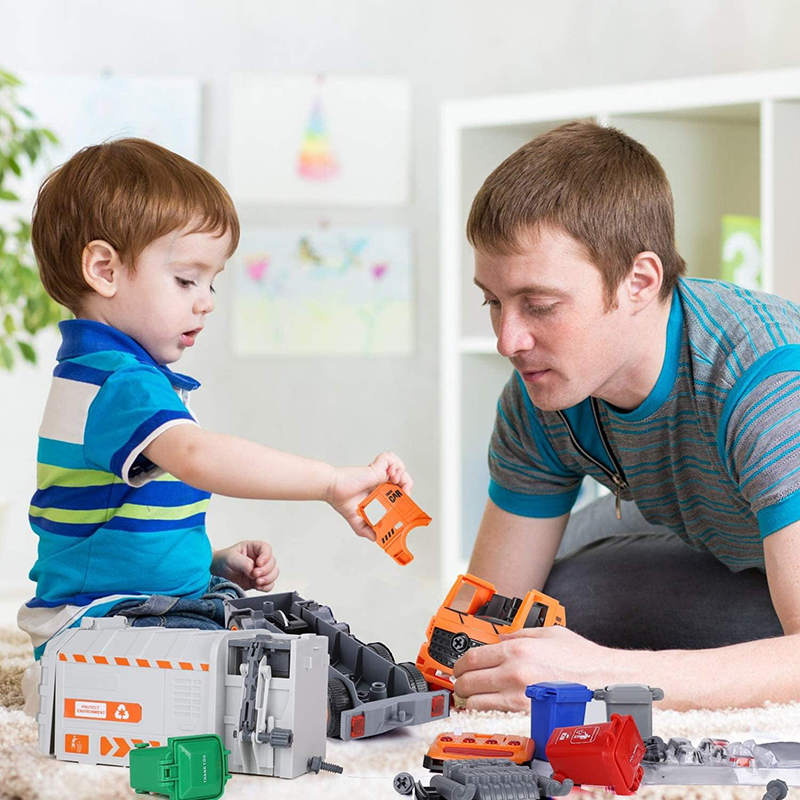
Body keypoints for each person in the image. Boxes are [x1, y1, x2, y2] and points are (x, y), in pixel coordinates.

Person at [18, 138, 411, 662]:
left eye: (212, 283)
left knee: (256, 616)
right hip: (97, 622)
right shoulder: (120, 382)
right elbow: (200, 458)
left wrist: (211, 562)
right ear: (105, 271)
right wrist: (329, 481)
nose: (205, 303)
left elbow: (119, 532)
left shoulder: (112, 375)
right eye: (186, 280)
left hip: (128, 603)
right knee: (250, 653)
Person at [451, 121, 800, 712]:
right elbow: (485, 620)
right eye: (493, 301)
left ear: (640, 281)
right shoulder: (542, 388)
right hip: (707, 534)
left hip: (771, 553)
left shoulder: (767, 381)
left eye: (538, 305)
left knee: (579, 618)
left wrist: (603, 676)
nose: (508, 340)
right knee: (539, 622)